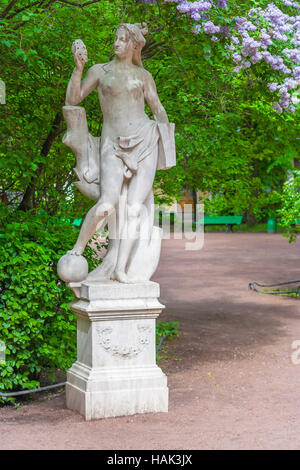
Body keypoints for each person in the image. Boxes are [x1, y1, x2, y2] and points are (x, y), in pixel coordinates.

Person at [65, 23, 172, 283]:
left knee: (135, 209)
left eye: (123, 40)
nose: (117, 43)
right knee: (106, 205)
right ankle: (77, 249)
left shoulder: (143, 76)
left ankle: (120, 269)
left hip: (145, 140)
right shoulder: (100, 71)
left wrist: (167, 144)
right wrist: (78, 69)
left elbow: (157, 109)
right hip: (112, 144)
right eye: (116, 38)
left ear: (134, 45)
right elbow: (73, 99)